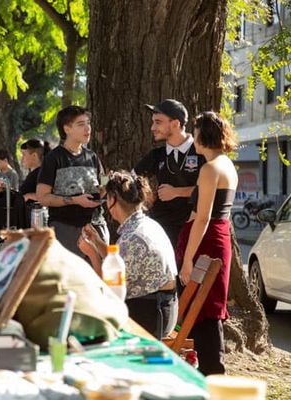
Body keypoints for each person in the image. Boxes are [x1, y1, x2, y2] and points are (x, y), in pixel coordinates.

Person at [77, 171, 178, 339]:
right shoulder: (147, 225)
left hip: (149, 318)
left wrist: (92, 255)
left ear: (112, 200)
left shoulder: (132, 238)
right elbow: (118, 260)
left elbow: (107, 290)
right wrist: (96, 241)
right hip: (163, 309)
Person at [176, 112, 237, 376]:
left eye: (195, 131)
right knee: (206, 307)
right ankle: (209, 370)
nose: (193, 137)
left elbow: (202, 218)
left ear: (204, 135)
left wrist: (188, 259)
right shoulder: (225, 164)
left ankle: (214, 373)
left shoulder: (211, 168)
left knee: (206, 307)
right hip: (215, 237)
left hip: (207, 241)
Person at [36, 105, 107, 263]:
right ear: (66, 129)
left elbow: (103, 184)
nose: (87, 128)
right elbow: (42, 197)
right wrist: (74, 200)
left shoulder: (92, 157)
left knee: (101, 279)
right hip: (65, 230)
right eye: (81, 124)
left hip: (96, 227)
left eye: (88, 123)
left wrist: (109, 183)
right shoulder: (53, 158)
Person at [134, 99, 205, 250]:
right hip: (161, 231)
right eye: (153, 122)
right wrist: (147, 196)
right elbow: (130, 180)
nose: (152, 128)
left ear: (175, 124)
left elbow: (213, 190)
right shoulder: (156, 155)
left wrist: (177, 192)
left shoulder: (201, 152)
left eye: (158, 122)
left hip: (194, 229)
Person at [19, 138, 51, 203]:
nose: (22, 159)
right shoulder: (36, 173)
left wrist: (29, 196)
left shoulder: (42, 174)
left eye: (24, 154)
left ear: (34, 156)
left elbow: (50, 195)